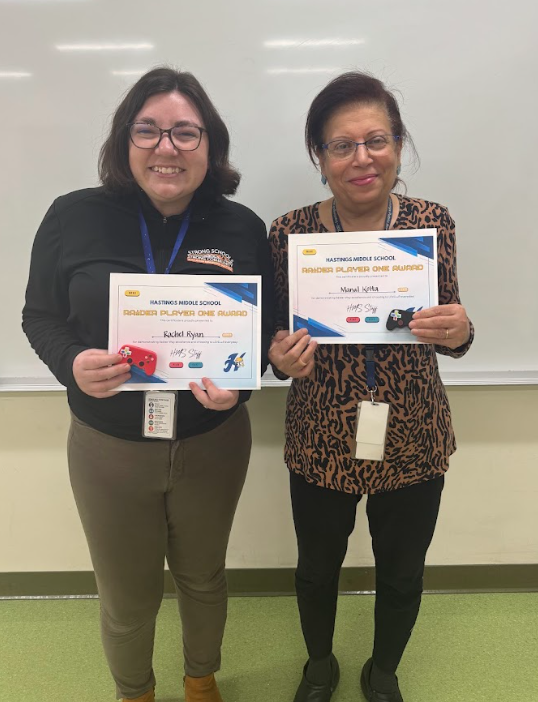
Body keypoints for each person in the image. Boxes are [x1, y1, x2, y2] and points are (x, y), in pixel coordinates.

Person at [22, 67, 273, 702]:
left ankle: (200, 680)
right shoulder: (72, 216)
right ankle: (134, 692)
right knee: (126, 595)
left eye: (186, 132)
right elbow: (40, 316)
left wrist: (240, 386)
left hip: (213, 440)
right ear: (124, 140)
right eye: (148, 130)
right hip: (108, 447)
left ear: (210, 146)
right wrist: (72, 362)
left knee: (203, 577)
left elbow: (263, 329)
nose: (167, 147)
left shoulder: (242, 227)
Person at [268, 72, 473, 702]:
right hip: (320, 434)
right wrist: (280, 359)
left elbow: (449, 328)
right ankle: (319, 664)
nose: (362, 158)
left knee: (403, 572)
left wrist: (461, 331)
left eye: (376, 140)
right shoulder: (288, 234)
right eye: (342, 145)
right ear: (319, 156)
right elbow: (274, 344)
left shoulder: (431, 223)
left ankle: (383, 671)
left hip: (413, 433)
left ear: (398, 146)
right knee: (315, 570)